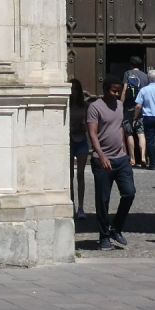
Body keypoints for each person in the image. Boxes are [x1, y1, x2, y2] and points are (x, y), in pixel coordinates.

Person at [86, 76, 135, 249]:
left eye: (118, 91)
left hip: (121, 158)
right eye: (113, 91)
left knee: (129, 193)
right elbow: (92, 133)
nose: (116, 94)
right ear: (106, 89)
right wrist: (101, 155)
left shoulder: (120, 106)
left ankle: (116, 228)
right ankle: (104, 236)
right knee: (103, 200)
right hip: (102, 160)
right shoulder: (95, 107)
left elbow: (120, 127)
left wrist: (126, 151)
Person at [68, 79, 90, 219]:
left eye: (76, 89)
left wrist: (83, 127)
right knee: (69, 176)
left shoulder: (85, 106)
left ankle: (81, 207)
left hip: (81, 140)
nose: (74, 92)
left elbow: (89, 124)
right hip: (69, 141)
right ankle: (71, 204)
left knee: (80, 175)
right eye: (72, 89)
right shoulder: (66, 105)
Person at [123, 56, 150, 167]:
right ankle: (143, 157)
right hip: (141, 107)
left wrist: (121, 103)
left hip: (129, 106)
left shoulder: (127, 73)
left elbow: (125, 89)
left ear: (131, 64)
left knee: (129, 132)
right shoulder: (145, 76)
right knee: (141, 133)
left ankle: (133, 159)